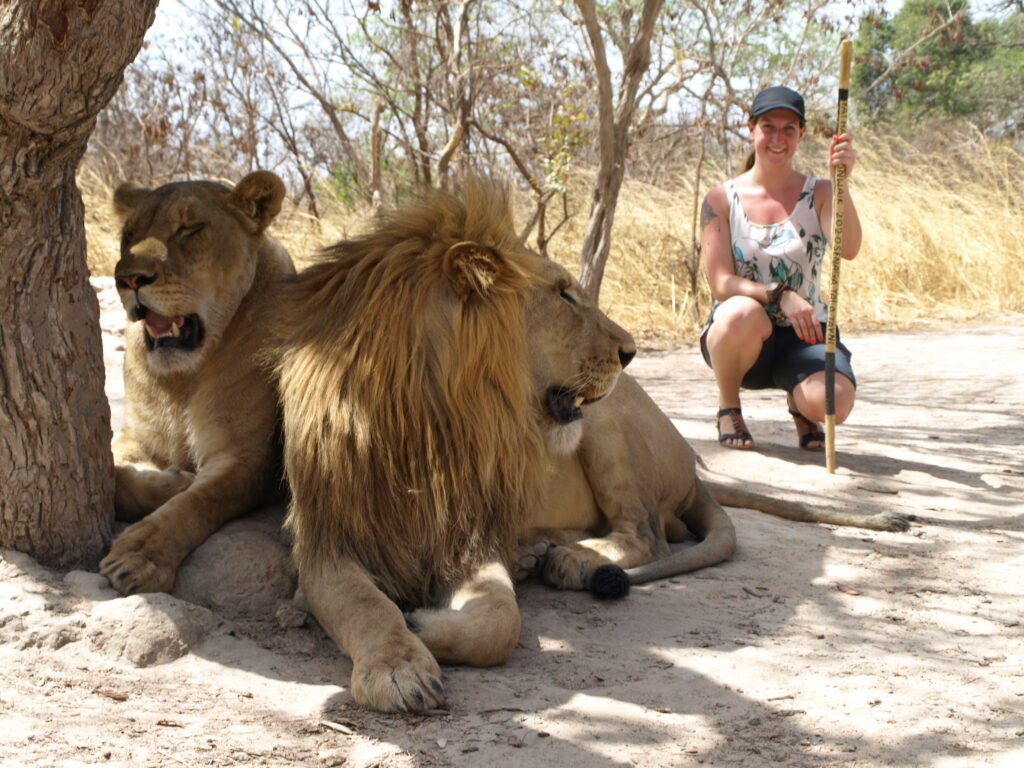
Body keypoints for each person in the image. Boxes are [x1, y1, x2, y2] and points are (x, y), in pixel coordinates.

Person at [699, 85, 860, 451]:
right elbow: (721, 283)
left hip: (806, 333)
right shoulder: (721, 198)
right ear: (751, 128)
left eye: (789, 129)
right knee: (739, 311)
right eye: (768, 126)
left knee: (831, 404)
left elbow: (848, 249)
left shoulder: (818, 192)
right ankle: (729, 408)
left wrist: (841, 182)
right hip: (740, 338)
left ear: (801, 134)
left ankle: (801, 406)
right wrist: (780, 294)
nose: (778, 138)